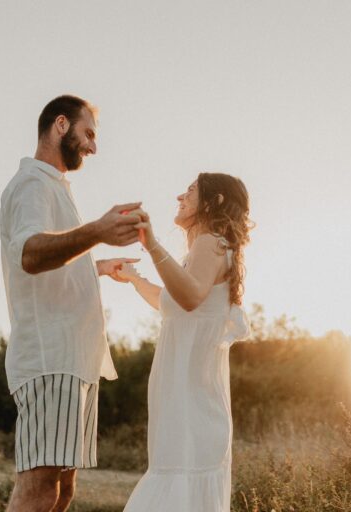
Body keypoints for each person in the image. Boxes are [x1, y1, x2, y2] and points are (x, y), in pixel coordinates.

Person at [0, 94, 146, 512]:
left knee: (63, 491)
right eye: (89, 134)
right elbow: (30, 253)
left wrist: (94, 267)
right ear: (60, 125)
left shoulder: (53, 187)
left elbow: (55, 255)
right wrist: (98, 230)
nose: (93, 147)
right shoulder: (32, 184)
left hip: (75, 360)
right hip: (51, 357)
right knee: (39, 487)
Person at [110, 172, 253, 511]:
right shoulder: (208, 250)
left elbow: (188, 297)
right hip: (186, 404)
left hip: (193, 410)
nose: (180, 196)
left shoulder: (211, 242)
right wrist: (133, 278)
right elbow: (171, 301)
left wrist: (152, 243)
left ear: (214, 201)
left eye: (190, 190)